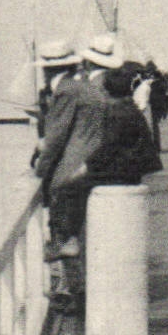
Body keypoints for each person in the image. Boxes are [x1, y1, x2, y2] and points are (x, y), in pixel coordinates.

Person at [33, 32, 122, 261]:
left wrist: (41, 170)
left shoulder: (65, 90)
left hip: (78, 160)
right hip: (95, 155)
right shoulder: (83, 87)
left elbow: (55, 138)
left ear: (48, 69)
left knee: (58, 189)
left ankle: (65, 242)